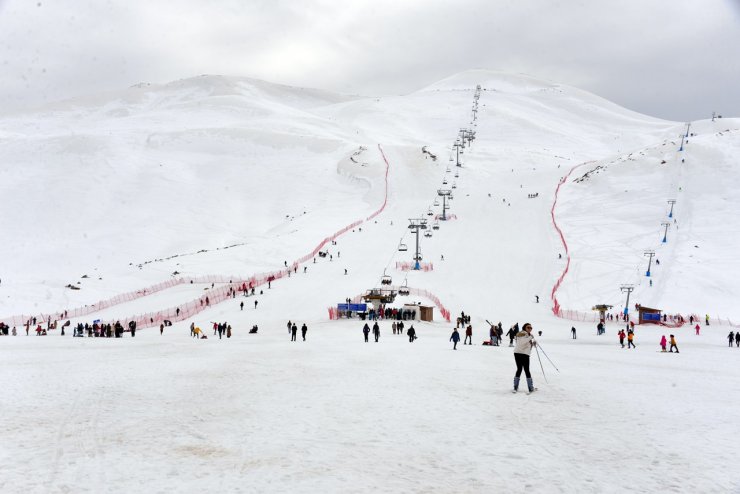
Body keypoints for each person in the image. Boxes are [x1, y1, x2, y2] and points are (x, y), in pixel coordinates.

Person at [513, 323, 537, 393]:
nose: (530, 329)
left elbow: (526, 345)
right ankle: (529, 387)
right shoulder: (522, 333)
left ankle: (516, 387)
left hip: (521, 353)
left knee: (521, 369)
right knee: (524, 369)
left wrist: (532, 344)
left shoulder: (527, 334)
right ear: (524, 327)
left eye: (531, 328)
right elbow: (522, 342)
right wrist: (531, 337)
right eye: (528, 327)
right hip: (521, 354)